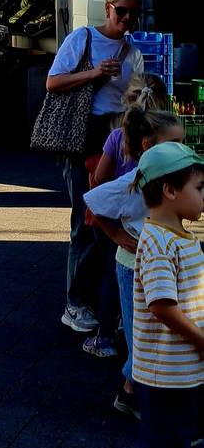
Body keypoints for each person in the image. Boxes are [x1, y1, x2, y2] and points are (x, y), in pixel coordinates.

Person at [123, 142, 204, 448]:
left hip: (189, 371)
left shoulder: (181, 235)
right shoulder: (156, 243)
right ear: (171, 191)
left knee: (185, 447)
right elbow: (163, 307)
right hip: (166, 379)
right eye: (199, 187)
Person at [46, 0, 144, 334]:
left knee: (116, 218)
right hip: (82, 134)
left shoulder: (132, 51)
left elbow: (133, 97)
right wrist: (94, 73)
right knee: (86, 220)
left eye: (135, 12)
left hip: (117, 135)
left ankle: (109, 304)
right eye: (122, 11)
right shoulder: (83, 38)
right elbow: (52, 82)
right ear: (108, 8)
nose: (128, 18)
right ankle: (75, 304)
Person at [84, 110, 183, 418]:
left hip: (157, 263)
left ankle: (133, 391)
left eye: (183, 143)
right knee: (142, 331)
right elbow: (95, 197)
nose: (180, 150)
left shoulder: (171, 177)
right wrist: (115, 233)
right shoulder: (137, 179)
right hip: (133, 266)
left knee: (152, 330)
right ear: (147, 146)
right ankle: (134, 394)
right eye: (173, 144)